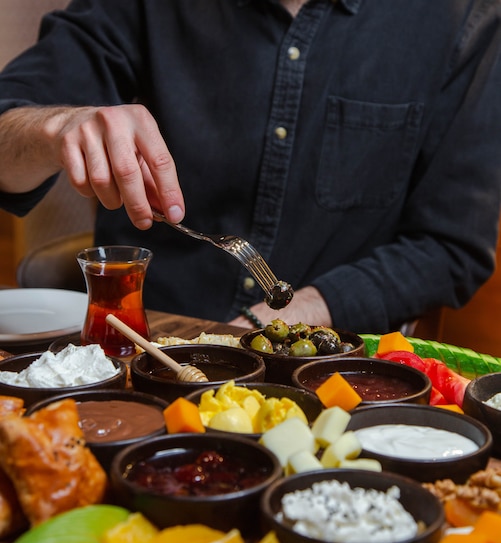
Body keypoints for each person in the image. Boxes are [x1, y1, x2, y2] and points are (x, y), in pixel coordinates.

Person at [0, 0, 500, 334]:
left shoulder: (463, 17)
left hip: (318, 374)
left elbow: (448, 247)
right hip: (145, 348)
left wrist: (279, 321)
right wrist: (56, 126)